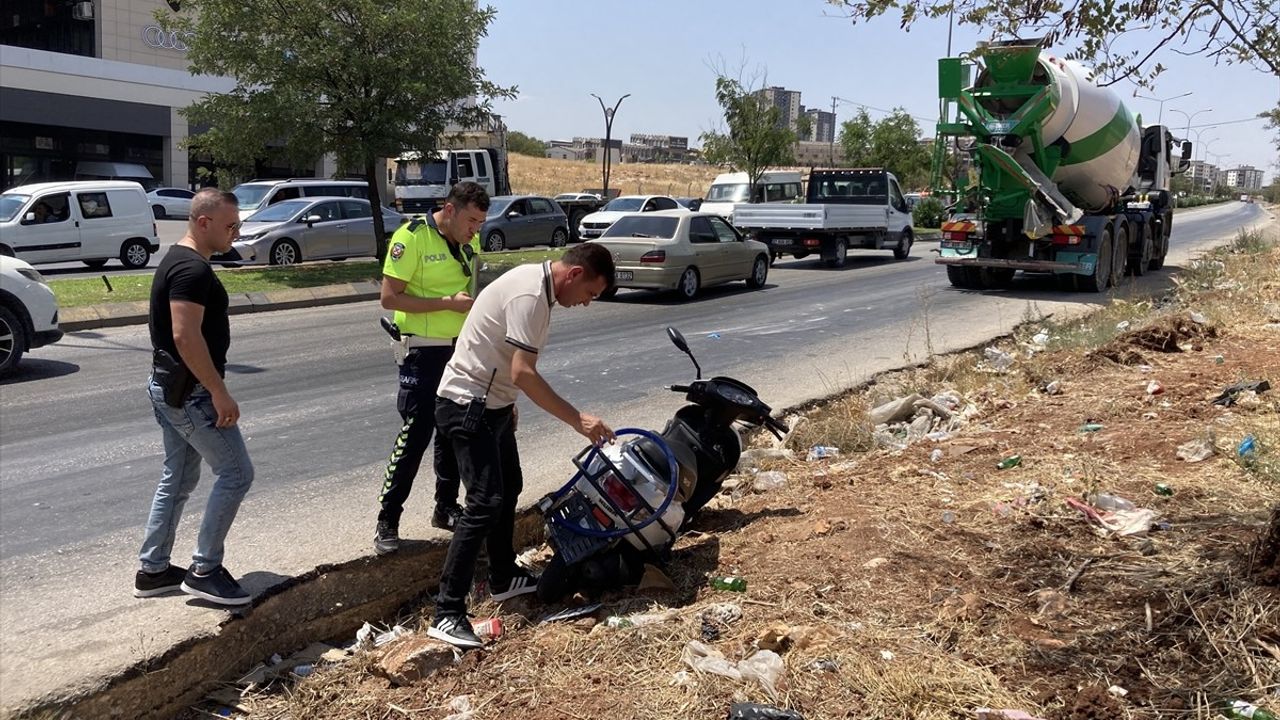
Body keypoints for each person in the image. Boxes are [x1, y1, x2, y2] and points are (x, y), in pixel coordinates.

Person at [427, 243, 617, 648]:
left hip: (492, 405)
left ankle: (502, 577)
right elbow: (523, 372)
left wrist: (507, 402)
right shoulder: (531, 294)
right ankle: (446, 612)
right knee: (483, 503)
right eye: (590, 293)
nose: (586, 303)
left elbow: (499, 353)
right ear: (575, 274)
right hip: (467, 406)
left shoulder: (540, 290)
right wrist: (579, 420)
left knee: (509, 486)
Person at [134, 188, 255, 606]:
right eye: (230, 225)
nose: (236, 233)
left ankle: (153, 570)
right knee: (237, 473)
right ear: (203, 223)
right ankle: (205, 569)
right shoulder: (192, 270)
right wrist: (219, 392)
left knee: (180, 476)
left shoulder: (178, 258)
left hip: (170, 387)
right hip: (192, 393)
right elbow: (185, 336)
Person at [374, 182, 487, 554]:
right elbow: (389, 297)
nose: (475, 229)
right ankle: (387, 519)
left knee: (453, 430)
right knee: (416, 433)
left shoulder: (469, 242)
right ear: (450, 210)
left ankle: (445, 507)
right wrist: (447, 303)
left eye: (481, 222)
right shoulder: (412, 237)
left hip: (459, 350)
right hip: (422, 351)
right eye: (471, 220)